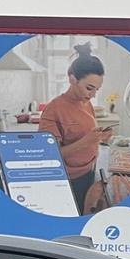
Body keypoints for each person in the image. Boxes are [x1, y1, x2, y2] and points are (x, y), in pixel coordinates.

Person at [38, 48, 113, 215]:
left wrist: (100, 138)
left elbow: (84, 133)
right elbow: (48, 156)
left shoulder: (86, 102)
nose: (93, 95)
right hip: (69, 181)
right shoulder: (53, 110)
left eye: (96, 90)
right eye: (89, 88)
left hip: (89, 171)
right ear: (72, 79)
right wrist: (87, 141)